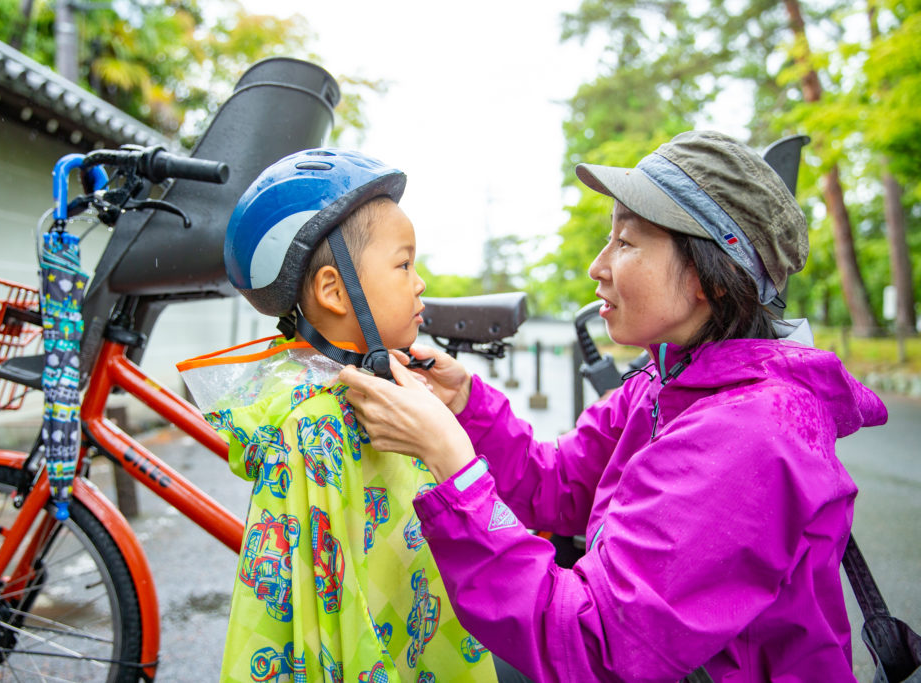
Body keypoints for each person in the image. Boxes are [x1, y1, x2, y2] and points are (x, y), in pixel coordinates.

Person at [338, 131, 889, 682]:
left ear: (710, 277)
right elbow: (557, 483)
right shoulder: (668, 383)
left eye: (626, 243)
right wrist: (464, 405)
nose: (598, 266)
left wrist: (452, 467)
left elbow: (592, 646)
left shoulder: (749, 435)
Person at [178, 148, 496, 682]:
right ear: (333, 290)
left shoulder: (385, 396)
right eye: (404, 264)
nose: (419, 282)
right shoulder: (314, 431)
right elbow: (326, 615)